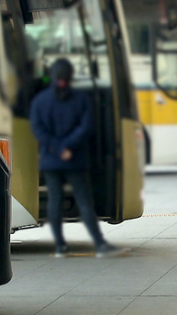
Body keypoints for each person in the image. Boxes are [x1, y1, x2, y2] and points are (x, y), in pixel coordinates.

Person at [29, 58, 120, 258]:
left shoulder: (40, 101)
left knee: (54, 201)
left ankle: (60, 246)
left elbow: (38, 129)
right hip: (75, 159)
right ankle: (99, 244)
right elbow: (86, 127)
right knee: (84, 201)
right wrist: (67, 147)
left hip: (51, 159)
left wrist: (56, 147)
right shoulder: (81, 99)